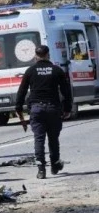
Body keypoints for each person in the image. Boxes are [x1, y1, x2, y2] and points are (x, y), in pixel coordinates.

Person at [14, 45, 72, 179]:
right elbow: (66, 92)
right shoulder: (57, 70)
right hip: (53, 108)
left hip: (37, 109)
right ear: (48, 55)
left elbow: (21, 92)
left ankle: (41, 170)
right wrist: (67, 108)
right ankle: (55, 165)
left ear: (36, 56)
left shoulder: (30, 70)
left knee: (39, 139)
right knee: (53, 138)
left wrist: (18, 109)